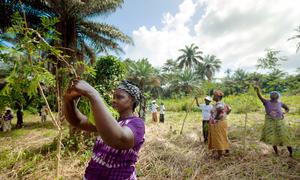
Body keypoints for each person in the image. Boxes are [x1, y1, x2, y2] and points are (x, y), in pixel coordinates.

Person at [63, 79, 145, 179]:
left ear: (132, 100)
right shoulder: (110, 120)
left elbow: (119, 140)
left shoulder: (137, 124)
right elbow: (78, 121)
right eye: (113, 97)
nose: (114, 100)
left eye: (119, 97)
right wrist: (68, 100)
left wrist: (93, 94)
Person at [254, 87, 293, 157]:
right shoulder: (266, 102)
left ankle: (291, 153)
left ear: (277, 97)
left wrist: (284, 112)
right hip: (270, 122)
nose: (274, 95)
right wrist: (258, 90)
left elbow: (287, 108)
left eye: (275, 94)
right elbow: (260, 96)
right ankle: (277, 153)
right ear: (270, 97)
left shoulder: (280, 103)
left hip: (280, 123)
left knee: (285, 138)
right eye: (272, 94)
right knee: (273, 138)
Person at [208, 90, 231, 160]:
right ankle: (227, 151)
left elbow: (220, 109)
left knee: (218, 138)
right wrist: (225, 115)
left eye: (214, 95)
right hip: (223, 122)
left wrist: (215, 118)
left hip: (218, 123)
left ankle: (219, 156)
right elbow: (230, 109)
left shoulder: (219, 104)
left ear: (218, 97)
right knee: (223, 136)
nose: (213, 97)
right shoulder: (223, 103)